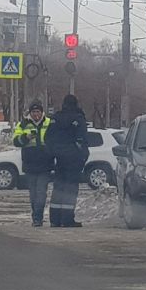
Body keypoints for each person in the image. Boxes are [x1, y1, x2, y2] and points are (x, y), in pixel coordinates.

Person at [45, 94, 89, 227]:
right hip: (73, 160)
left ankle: (55, 219)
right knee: (70, 189)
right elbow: (83, 140)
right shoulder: (78, 119)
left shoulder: (55, 119)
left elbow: (48, 138)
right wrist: (81, 156)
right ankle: (67, 219)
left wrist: (55, 152)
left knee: (58, 188)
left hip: (59, 160)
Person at [12, 100, 53, 226]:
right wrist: (26, 137)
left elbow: (54, 139)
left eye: (38, 112)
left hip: (45, 164)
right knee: (33, 193)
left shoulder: (49, 123)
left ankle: (38, 217)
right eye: (34, 112)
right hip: (30, 164)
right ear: (30, 113)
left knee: (41, 192)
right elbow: (16, 141)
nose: (36, 114)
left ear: (42, 112)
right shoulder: (23, 124)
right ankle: (35, 215)